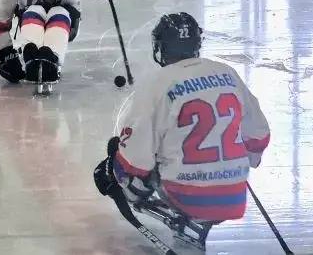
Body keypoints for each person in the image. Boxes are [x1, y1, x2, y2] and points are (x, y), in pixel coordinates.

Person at [93, 13, 271, 245]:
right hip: (234, 196)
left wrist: (115, 163)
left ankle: (185, 220)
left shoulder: (157, 83)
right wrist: (234, 162)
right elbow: (259, 136)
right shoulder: (227, 73)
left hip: (188, 195)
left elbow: (136, 160)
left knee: (113, 167)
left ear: (161, 48)